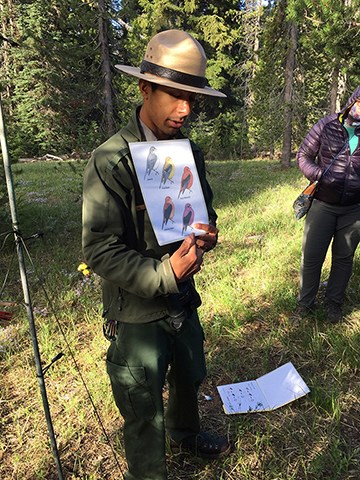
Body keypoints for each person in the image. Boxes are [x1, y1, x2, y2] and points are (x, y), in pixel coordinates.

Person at [82, 30, 230, 480]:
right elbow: (100, 250)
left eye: (193, 98)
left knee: (190, 372)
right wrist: (164, 273)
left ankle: (185, 433)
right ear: (145, 87)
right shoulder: (112, 161)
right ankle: (149, 473)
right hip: (138, 310)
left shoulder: (188, 152)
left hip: (183, 298)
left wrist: (207, 232)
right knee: (142, 400)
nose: (185, 109)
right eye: (174, 95)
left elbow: (202, 208)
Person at [296, 86, 360, 322]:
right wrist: (318, 174)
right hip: (323, 203)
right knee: (312, 256)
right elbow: (303, 156)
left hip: (354, 209)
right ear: (352, 101)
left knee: (344, 258)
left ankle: (334, 304)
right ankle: (306, 304)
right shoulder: (327, 125)